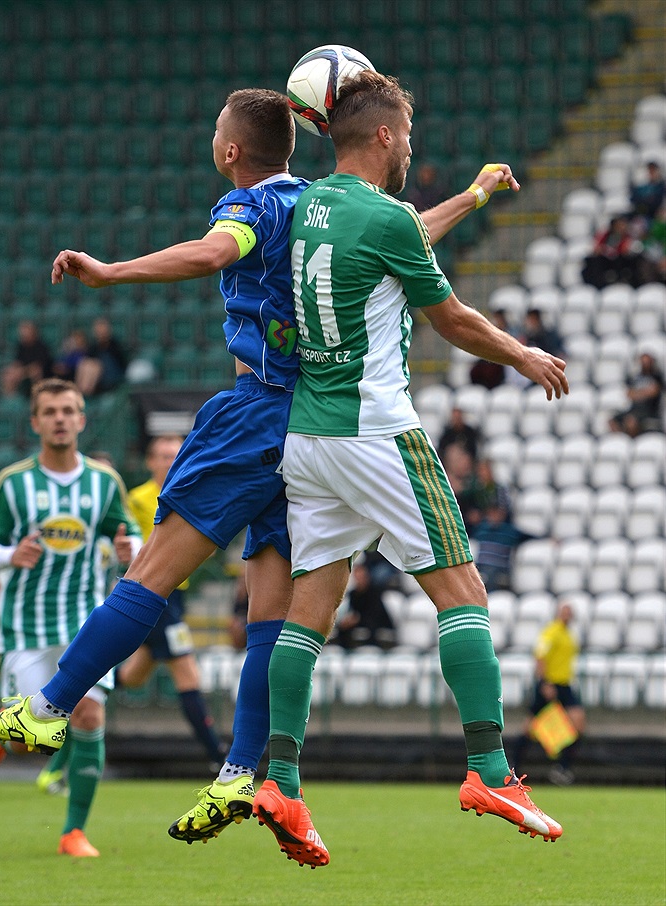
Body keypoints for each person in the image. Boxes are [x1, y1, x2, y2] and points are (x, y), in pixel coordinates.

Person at [0, 85, 522, 849]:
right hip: (310, 424)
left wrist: (110, 271)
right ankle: (239, 772)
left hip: (256, 411)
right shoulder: (320, 205)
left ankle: (51, 707)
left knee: (153, 573)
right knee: (273, 609)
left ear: (231, 151)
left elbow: (210, 254)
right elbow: (407, 235)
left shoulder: (255, 207)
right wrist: (474, 195)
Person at [250, 71, 567, 867]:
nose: (409, 150)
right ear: (386, 137)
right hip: (376, 430)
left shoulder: (313, 205)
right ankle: (490, 770)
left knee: (310, 609)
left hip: (309, 441)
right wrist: (523, 353)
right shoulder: (383, 215)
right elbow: (451, 317)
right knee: (462, 591)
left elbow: (397, 234)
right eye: (408, 138)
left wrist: (471, 196)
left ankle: (280, 778)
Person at [0, 377, 141, 857]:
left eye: (69, 410)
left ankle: (74, 832)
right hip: (26, 624)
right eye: (51, 411)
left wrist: (132, 547)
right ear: (36, 422)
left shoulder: (104, 483)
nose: (60, 419)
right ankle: (7, 733)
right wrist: (10, 555)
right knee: (30, 738)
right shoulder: (13, 483)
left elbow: (133, 538)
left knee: (88, 712)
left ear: (82, 419)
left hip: (86, 621)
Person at [118, 434, 225, 767]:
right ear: (150, 462)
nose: (169, 462)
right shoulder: (136, 499)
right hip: (151, 591)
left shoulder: (187, 493)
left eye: (174, 455)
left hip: (175, 595)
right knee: (187, 672)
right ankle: (216, 757)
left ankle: (89, 693)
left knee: (134, 676)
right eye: (163, 456)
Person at [512, 601, 586, 786]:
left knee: (578, 724)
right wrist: (544, 682)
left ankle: (562, 768)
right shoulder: (550, 632)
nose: (567, 615)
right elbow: (540, 656)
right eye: (564, 611)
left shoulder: (569, 634)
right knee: (529, 729)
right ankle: (513, 767)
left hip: (565, 684)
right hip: (550, 684)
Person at [329, 559, 396, 650]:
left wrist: (357, 619)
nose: (359, 577)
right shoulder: (353, 594)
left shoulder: (375, 593)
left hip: (376, 624)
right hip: (361, 623)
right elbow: (352, 611)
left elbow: (376, 615)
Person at [609, 349, 664, 437]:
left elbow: (653, 392)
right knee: (612, 421)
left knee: (630, 421)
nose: (645, 364)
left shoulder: (656, 376)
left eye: (647, 362)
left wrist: (637, 393)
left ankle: (633, 442)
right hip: (634, 409)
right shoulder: (635, 377)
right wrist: (644, 393)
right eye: (643, 362)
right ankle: (622, 439)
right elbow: (629, 394)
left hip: (649, 410)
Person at [75, 317, 128, 396]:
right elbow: (88, 358)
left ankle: (85, 393)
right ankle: (80, 391)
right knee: (85, 363)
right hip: (95, 377)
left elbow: (121, 363)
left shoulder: (114, 345)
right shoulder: (94, 346)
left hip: (112, 374)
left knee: (96, 365)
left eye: (102, 329)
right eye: (98, 330)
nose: (100, 332)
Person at [0, 320, 54, 398]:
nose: (23, 335)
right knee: (8, 373)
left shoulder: (41, 346)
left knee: (35, 372)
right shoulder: (21, 346)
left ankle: (37, 397)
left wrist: (23, 370)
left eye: (25, 332)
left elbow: (38, 365)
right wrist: (15, 369)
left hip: (41, 372)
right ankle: (10, 399)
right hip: (24, 370)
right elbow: (17, 362)